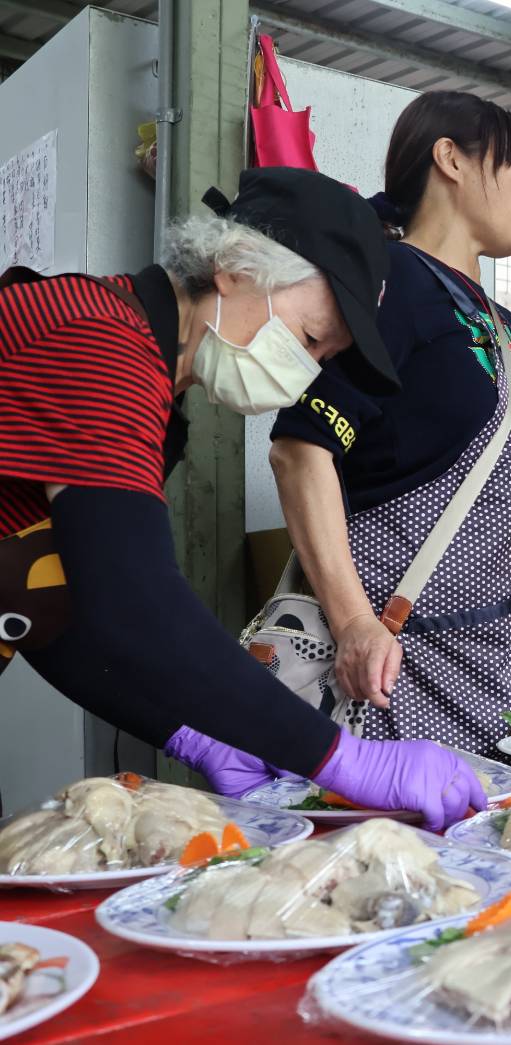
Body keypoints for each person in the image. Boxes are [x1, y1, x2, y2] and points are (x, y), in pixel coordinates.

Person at [0, 166, 484, 829]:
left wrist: (189, 732)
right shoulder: (97, 341)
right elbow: (131, 604)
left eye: (323, 358)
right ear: (231, 267)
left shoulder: (151, 385)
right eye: (311, 337)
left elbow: (47, 606)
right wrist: (339, 757)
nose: (306, 370)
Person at [270, 91, 511, 764]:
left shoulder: (496, 318)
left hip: (501, 676)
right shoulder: (392, 283)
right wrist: (351, 624)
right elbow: (298, 450)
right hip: (402, 677)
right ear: (451, 160)